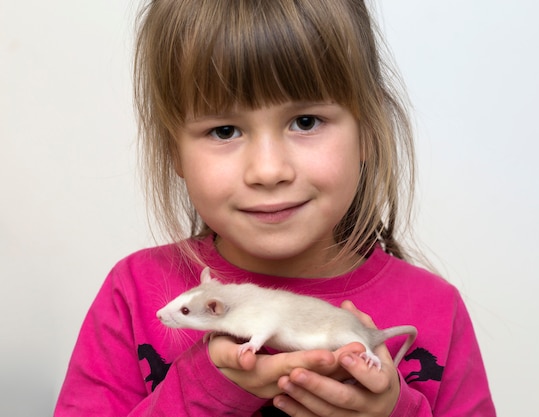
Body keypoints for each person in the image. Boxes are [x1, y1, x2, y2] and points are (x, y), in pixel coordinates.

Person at [55, 0, 496, 416]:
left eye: (306, 122)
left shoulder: (438, 308)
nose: (268, 171)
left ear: (367, 130)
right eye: (225, 130)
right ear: (174, 150)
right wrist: (205, 389)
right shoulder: (133, 293)